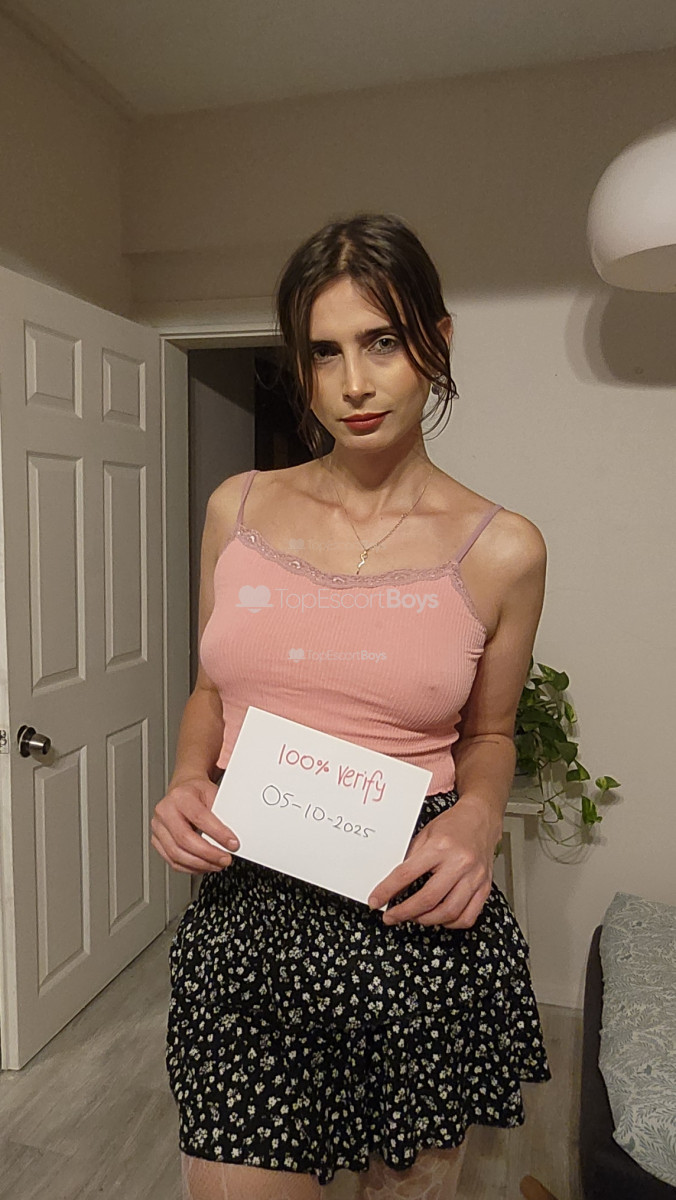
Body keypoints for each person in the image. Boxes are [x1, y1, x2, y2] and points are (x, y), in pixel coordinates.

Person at [151, 212, 552, 1200]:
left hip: (410, 915)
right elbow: (211, 690)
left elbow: (490, 734)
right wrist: (187, 777)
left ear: (437, 341)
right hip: (250, 917)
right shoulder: (237, 509)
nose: (353, 383)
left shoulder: (502, 548)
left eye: (382, 342)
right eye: (323, 352)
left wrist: (478, 816)